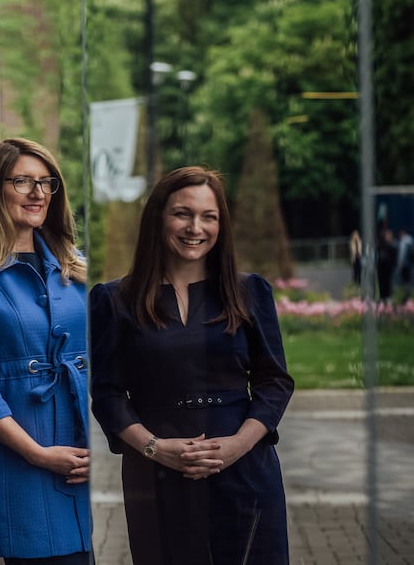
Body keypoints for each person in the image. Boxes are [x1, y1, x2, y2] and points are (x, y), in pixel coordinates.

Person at [90, 166, 294, 565]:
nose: (195, 227)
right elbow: (107, 393)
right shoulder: (115, 299)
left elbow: (273, 382)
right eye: (182, 213)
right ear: (158, 217)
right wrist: (154, 448)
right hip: (157, 475)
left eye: (208, 216)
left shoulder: (249, 291)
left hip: (244, 470)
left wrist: (237, 446)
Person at [0, 138, 91, 564]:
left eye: (46, 182)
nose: (38, 192)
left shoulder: (74, 266)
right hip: (19, 449)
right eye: (22, 181)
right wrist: (36, 452)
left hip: (80, 447)